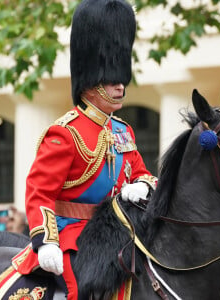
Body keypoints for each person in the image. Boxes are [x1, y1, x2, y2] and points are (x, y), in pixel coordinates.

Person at [13, 0, 157, 299]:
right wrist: (46, 240)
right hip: (73, 235)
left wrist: (140, 186)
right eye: (112, 80)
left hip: (119, 233)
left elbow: (145, 174)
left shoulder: (123, 130)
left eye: (122, 80)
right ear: (91, 82)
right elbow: (39, 192)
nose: (121, 87)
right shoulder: (66, 133)